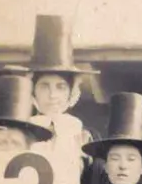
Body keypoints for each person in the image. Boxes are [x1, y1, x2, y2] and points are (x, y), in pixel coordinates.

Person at [21, 15, 100, 165]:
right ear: (32, 91)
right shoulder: (20, 135)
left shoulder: (86, 136)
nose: (52, 95)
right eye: (44, 86)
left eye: (61, 87)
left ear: (71, 92)